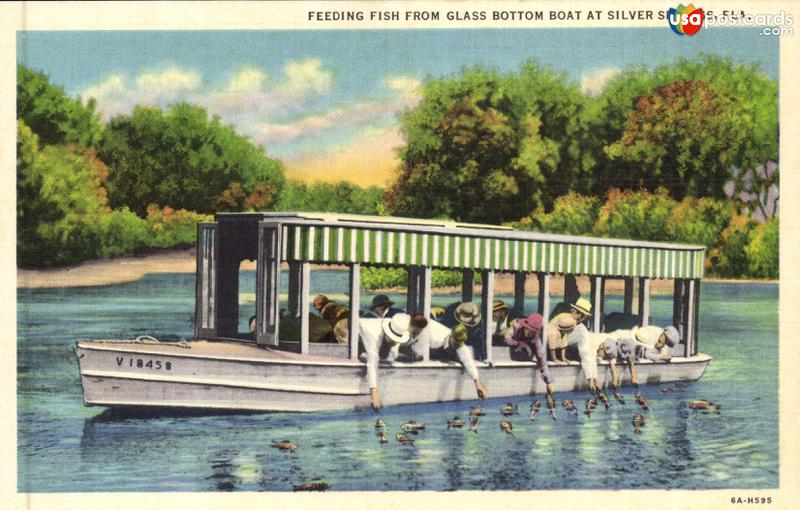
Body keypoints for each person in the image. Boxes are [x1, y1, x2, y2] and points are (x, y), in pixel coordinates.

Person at [406, 314, 487, 399]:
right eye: (455, 343)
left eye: (459, 344)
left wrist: (478, 384)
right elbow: (417, 350)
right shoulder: (436, 337)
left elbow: (469, 363)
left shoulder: (461, 347)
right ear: (451, 336)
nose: (457, 346)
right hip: (421, 342)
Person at [358, 313, 412, 411]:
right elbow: (372, 363)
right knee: (369, 356)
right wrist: (374, 395)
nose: (395, 342)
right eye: (393, 339)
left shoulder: (397, 327)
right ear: (387, 333)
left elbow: (393, 354)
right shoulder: (374, 334)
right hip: (356, 332)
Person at [503, 312, 555, 396]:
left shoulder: (535, 338)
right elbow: (506, 338)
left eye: (533, 331)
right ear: (524, 326)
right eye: (528, 329)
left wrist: (548, 382)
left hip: (525, 355)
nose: (529, 333)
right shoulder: (515, 325)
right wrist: (519, 343)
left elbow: (542, 358)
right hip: (512, 352)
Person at [557, 315, 605, 392]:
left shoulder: (581, 328)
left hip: (573, 345)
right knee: (587, 348)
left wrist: (593, 377)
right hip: (560, 344)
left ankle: (593, 378)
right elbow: (585, 352)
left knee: (589, 349)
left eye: (583, 315)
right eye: (580, 314)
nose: (582, 317)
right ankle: (592, 379)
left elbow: (590, 354)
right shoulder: (573, 324)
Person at [547, 297, 592, 364]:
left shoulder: (580, 328)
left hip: (556, 347)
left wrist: (563, 358)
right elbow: (552, 335)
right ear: (573, 310)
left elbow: (564, 337)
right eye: (578, 312)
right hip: (548, 343)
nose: (579, 316)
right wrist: (555, 359)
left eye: (582, 315)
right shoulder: (566, 320)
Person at [609, 324, 680, 361]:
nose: (665, 343)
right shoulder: (652, 334)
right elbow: (647, 354)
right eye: (666, 340)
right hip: (622, 336)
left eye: (667, 342)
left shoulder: (661, 344)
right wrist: (660, 357)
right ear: (664, 335)